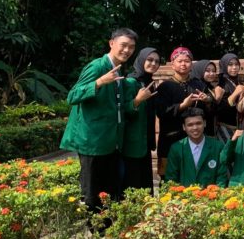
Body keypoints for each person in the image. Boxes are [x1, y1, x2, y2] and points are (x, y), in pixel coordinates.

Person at [62, 28, 152, 212]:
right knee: (91, 192)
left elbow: (118, 108)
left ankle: (106, 229)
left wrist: (135, 103)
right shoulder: (97, 67)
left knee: (109, 191)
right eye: (123, 45)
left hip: (111, 142)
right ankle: (95, 234)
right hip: (92, 142)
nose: (127, 50)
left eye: (131, 47)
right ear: (111, 43)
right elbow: (72, 96)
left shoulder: (118, 69)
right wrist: (99, 82)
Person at [154, 47, 208, 179]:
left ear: (192, 64)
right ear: (173, 64)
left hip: (194, 138)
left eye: (187, 61)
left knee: (194, 176)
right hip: (171, 139)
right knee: (170, 178)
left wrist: (207, 101)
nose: (183, 64)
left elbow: (207, 113)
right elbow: (161, 112)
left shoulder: (199, 85)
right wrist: (182, 106)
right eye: (180, 61)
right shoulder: (165, 86)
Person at [122, 47, 160, 194]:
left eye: (156, 61)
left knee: (145, 187)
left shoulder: (149, 82)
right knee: (133, 186)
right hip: (132, 143)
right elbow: (123, 111)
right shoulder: (131, 81)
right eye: (149, 60)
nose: (153, 64)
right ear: (141, 60)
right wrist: (137, 100)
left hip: (144, 143)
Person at [165, 108, 228, 187]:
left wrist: (217, 195)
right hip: (184, 197)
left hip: (211, 196)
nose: (195, 128)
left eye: (198, 123)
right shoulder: (176, 148)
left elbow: (221, 177)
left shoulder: (218, 146)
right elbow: (171, 179)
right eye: (190, 125)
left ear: (204, 123)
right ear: (184, 127)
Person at [215, 53, 244, 141]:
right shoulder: (222, 85)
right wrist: (235, 93)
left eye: (236, 64)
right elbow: (220, 109)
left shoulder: (239, 82)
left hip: (240, 127)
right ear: (224, 66)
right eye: (230, 64)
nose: (234, 67)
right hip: (225, 128)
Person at [190, 59, 221, 137]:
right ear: (200, 71)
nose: (212, 73)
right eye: (207, 71)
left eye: (213, 71)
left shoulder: (208, 87)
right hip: (199, 131)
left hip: (209, 128)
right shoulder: (196, 87)